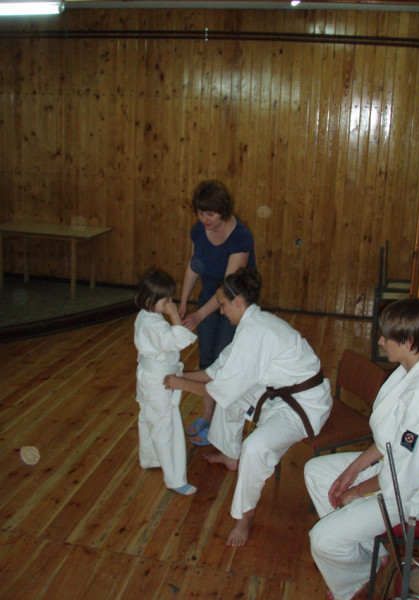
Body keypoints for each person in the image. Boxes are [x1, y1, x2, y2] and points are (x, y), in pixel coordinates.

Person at [165, 267, 332, 545]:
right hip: (279, 393)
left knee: (254, 447)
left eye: (222, 305)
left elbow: (221, 389)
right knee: (232, 398)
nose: (221, 311)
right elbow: (217, 372)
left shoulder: (256, 331)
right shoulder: (250, 325)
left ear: (238, 301)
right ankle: (231, 456)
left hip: (305, 405)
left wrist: (180, 384)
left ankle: (245, 516)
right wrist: (179, 376)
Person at [304, 297, 419, 600]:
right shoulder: (411, 372)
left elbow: (404, 477)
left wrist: (357, 492)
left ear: (408, 341)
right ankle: (371, 555)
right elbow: (390, 440)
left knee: (321, 539)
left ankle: (354, 581)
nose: (380, 341)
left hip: (415, 494)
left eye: (386, 336)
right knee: (316, 471)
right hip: (397, 470)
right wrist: (352, 471)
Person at [179, 180, 256, 446]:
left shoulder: (241, 237)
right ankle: (208, 416)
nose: (204, 219)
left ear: (223, 210)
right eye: (200, 213)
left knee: (224, 364)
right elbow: (194, 266)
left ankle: (222, 427)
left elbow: (227, 287)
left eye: (210, 214)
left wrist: (199, 315)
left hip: (235, 304)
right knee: (207, 359)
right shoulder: (198, 231)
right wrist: (183, 302)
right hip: (208, 299)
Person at [134, 269, 198, 496]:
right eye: (166, 300)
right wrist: (174, 316)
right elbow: (178, 342)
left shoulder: (145, 316)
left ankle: (150, 457)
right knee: (166, 426)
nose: (170, 303)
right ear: (150, 300)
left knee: (149, 418)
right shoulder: (155, 324)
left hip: (148, 378)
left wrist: (171, 317)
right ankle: (175, 479)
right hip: (158, 382)